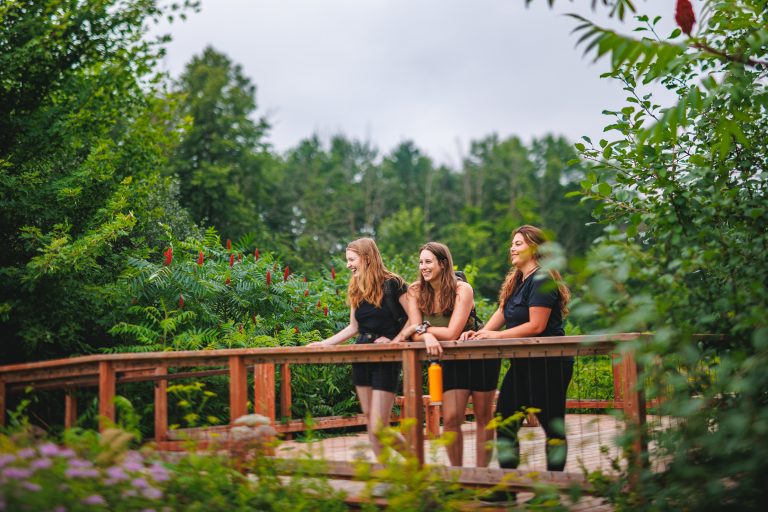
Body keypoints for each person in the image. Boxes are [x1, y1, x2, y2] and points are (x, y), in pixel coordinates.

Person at [461, 225, 572, 472]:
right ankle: (507, 487)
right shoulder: (516, 281)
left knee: (552, 426)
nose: (512, 248)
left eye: (518, 243)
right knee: (505, 422)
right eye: (512, 243)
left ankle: (552, 491)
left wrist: (495, 335)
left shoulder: (542, 278)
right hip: (522, 362)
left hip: (549, 363)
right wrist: (478, 334)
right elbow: (502, 313)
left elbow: (536, 325)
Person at [394, 242, 501, 467]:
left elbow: (452, 332)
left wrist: (422, 329)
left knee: (483, 416)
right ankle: (457, 475)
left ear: (443, 264)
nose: (423, 267)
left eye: (428, 262)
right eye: (421, 262)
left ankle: (482, 475)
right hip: (450, 360)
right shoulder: (415, 291)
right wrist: (425, 334)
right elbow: (413, 333)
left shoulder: (462, 289)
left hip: (480, 357)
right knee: (451, 418)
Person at [308, 238, 409, 457]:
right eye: (347, 260)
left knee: (379, 426)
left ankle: (415, 464)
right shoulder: (356, 286)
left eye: (352, 259)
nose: (348, 265)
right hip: (360, 355)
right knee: (370, 424)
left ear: (367, 258)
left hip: (386, 358)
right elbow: (353, 327)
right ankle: (385, 475)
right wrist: (324, 344)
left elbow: (414, 319)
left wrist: (394, 342)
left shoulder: (394, 283)